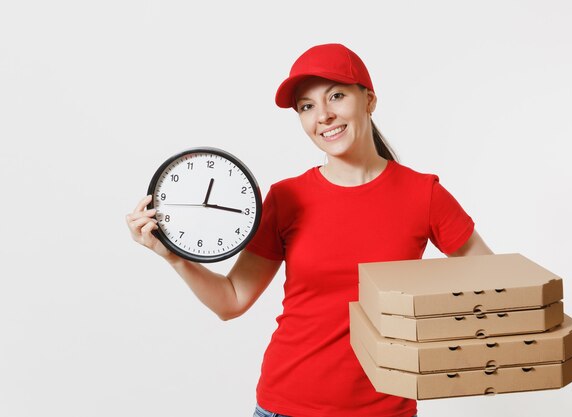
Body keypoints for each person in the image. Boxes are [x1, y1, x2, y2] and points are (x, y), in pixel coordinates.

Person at [126, 43, 493, 417]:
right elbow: (232, 300)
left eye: (336, 96)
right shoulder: (287, 198)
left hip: (385, 410)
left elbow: (495, 288)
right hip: (285, 405)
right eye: (307, 106)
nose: (324, 116)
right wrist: (172, 256)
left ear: (369, 100)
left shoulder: (422, 194)